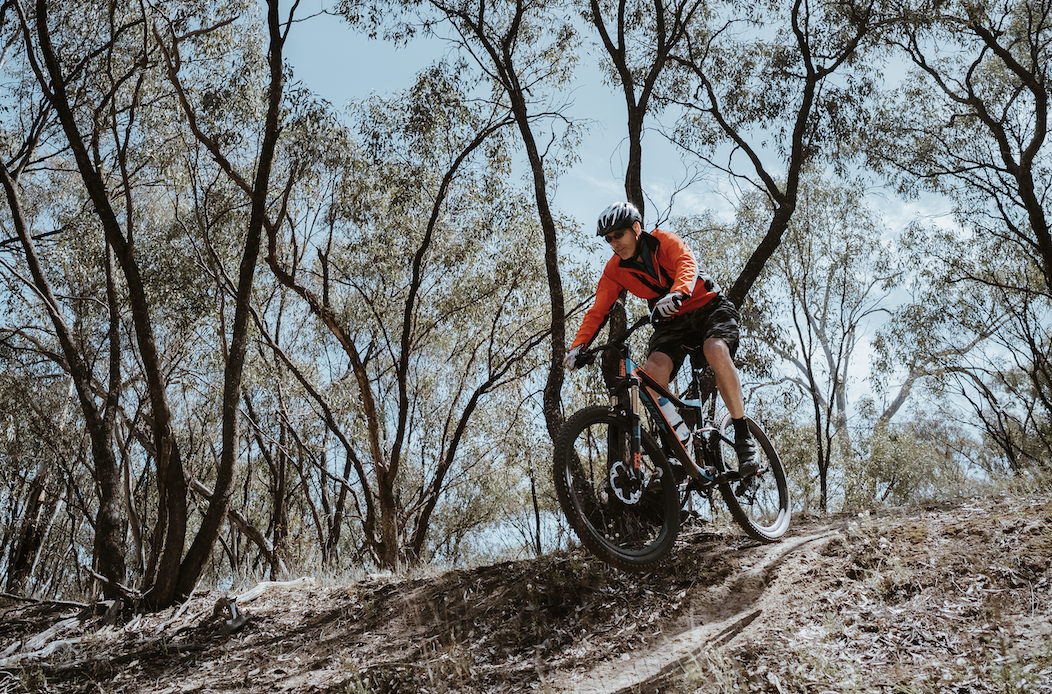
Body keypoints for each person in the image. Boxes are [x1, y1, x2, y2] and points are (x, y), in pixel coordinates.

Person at [564, 201, 757, 475]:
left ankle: (742, 434)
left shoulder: (663, 240)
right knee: (650, 376)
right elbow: (598, 310)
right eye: (608, 239)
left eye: (618, 235)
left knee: (715, 349)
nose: (614, 243)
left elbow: (686, 264)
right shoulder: (614, 269)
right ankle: (680, 442)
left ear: (636, 228)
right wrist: (577, 347)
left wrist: (678, 293)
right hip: (671, 323)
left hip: (708, 308)